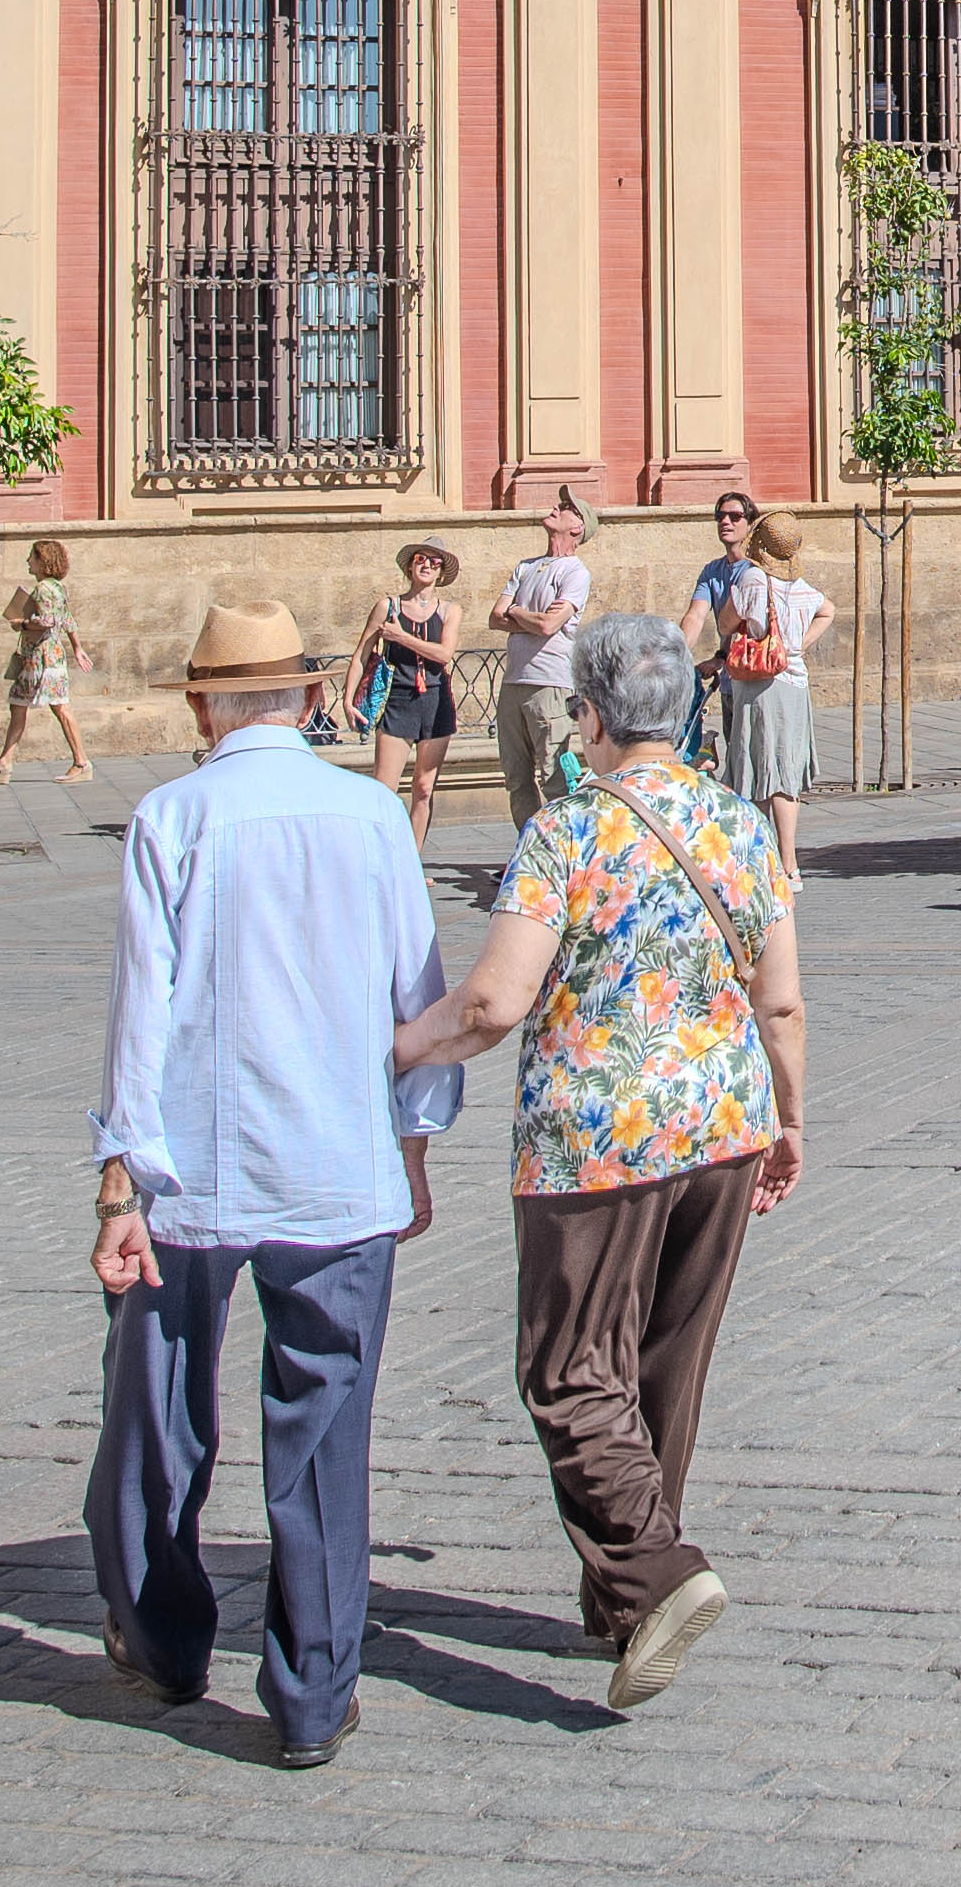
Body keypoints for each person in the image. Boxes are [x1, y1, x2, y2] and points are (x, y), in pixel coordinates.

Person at [396, 610, 798, 1714]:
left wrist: (403, 1045)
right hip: (724, 1125)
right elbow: (783, 997)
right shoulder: (738, 826)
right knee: (666, 1362)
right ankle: (622, 1600)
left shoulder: (568, 830)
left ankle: (659, 1569)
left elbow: (494, 999)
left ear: (592, 713)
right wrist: (791, 1116)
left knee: (571, 1365)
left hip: (594, 1141)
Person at [90, 600, 461, 1765]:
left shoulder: (171, 815)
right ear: (308, 699)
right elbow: (420, 992)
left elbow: (138, 1012)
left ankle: (160, 1637)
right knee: (324, 1429)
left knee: (158, 1416)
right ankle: (312, 1691)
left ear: (202, 705)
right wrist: (413, 1140)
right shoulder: (372, 816)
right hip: (338, 1164)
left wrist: (117, 1178)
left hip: (192, 1172)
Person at [695, 510, 830, 874]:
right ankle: (790, 865)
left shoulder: (753, 581)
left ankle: (763, 863)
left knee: (755, 771)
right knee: (786, 774)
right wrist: (798, 644)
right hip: (795, 684)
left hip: (757, 687)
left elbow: (726, 623)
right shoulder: (803, 588)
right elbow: (828, 611)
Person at [347, 541, 465, 860]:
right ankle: (382, 856)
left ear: (441, 573)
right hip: (398, 699)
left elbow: (443, 654)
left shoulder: (450, 611)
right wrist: (348, 699)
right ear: (410, 566)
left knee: (424, 789)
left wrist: (401, 638)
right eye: (420, 559)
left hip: (436, 700)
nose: (427, 565)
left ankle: (411, 861)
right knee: (384, 789)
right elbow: (361, 654)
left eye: (434, 562)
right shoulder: (388, 607)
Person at [493, 492, 596, 831]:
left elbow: (548, 625)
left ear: (577, 527)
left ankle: (565, 851)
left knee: (554, 774)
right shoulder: (525, 566)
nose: (555, 508)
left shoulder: (575, 573)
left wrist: (518, 612)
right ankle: (529, 849)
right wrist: (531, 619)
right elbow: (495, 618)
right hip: (513, 682)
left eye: (565, 508)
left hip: (550, 683)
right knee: (516, 776)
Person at [683, 492, 767, 768]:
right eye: (720, 516)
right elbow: (695, 615)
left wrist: (721, 657)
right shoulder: (713, 571)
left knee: (755, 759)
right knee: (737, 757)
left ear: (750, 523)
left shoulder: (757, 571)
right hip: (732, 679)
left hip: (758, 680)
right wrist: (678, 654)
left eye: (735, 516)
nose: (726, 522)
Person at [4, 538, 89, 783]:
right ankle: (4, 761)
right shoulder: (59, 588)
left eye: (32, 557)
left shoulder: (43, 589)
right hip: (47, 657)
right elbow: (68, 619)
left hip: (43, 659)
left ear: (43, 562)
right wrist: (77, 647)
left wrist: (21, 623)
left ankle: (81, 762)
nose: (28, 561)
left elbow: (49, 620)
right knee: (18, 702)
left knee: (60, 707)